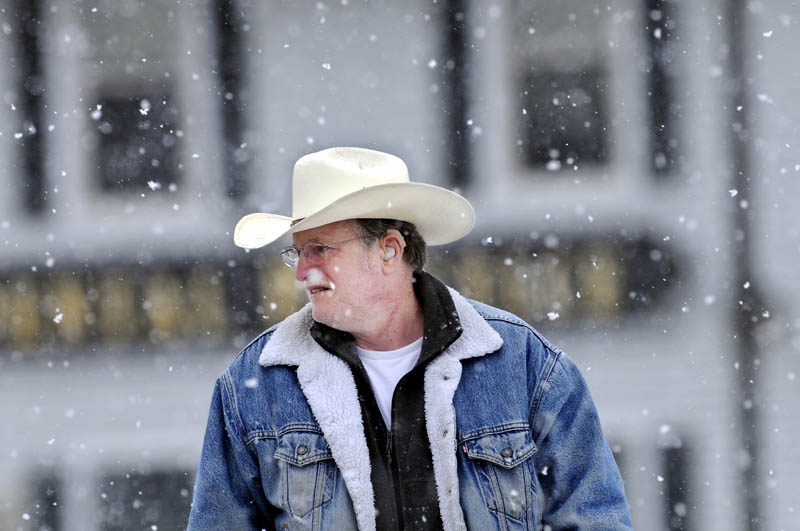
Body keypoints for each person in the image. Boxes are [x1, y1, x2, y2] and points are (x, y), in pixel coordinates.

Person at [188, 147, 632, 530]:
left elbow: (595, 519)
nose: (302, 271)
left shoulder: (525, 364)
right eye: (297, 252)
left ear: (388, 250)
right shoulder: (254, 384)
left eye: (320, 249)